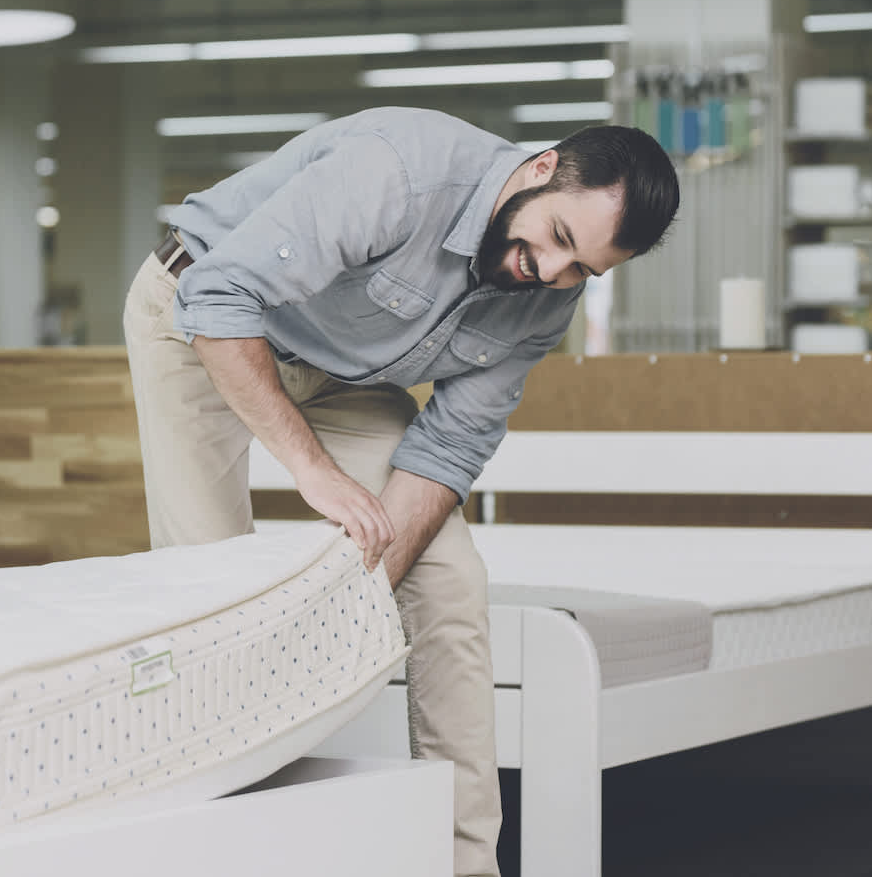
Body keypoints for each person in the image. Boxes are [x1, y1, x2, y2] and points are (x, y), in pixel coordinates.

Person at [122, 107, 679, 877]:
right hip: (200, 320)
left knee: (452, 580)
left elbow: (449, 448)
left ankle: (464, 863)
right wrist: (313, 471)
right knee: (208, 590)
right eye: (555, 239)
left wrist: (360, 588)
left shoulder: (548, 298)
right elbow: (222, 298)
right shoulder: (400, 171)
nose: (550, 275)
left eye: (584, 268)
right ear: (542, 167)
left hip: (343, 373)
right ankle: (216, 851)